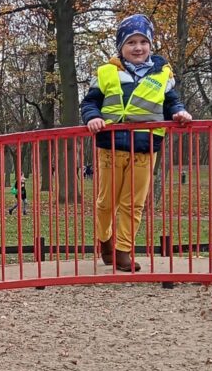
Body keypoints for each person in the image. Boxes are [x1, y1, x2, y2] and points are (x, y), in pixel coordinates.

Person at [80, 14, 192, 271]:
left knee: (134, 204)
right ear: (121, 47)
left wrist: (179, 112)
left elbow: (172, 103)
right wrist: (93, 117)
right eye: (131, 42)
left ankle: (123, 251)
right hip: (111, 147)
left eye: (143, 42)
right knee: (106, 202)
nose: (138, 47)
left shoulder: (163, 74)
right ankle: (105, 240)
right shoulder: (107, 72)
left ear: (150, 45)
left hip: (145, 148)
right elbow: (90, 102)